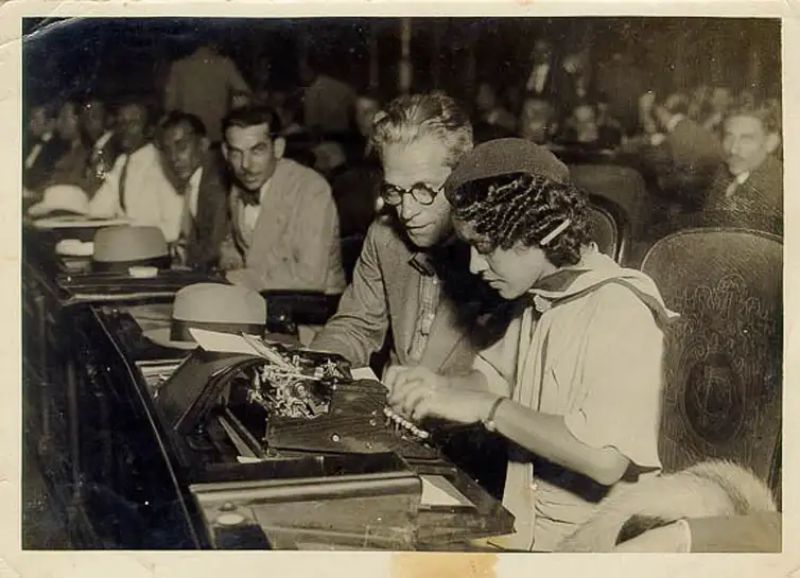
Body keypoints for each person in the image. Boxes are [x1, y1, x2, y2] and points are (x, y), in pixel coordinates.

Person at [384, 138, 677, 552]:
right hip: (526, 529)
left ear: (539, 232)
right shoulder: (538, 299)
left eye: (485, 248)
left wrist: (489, 411)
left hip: (595, 546)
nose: (474, 265)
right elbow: (492, 377)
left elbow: (605, 459)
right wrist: (435, 388)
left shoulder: (620, 308)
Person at [218, 105, 345, 294]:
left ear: (278, 148)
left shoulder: (311, 189)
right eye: (236, 153)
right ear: (225, 152)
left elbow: (309, 277)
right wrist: (231, 259)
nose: (245, 165)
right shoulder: (240, 185)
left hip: (312, 313)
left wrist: (238, 278)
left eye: (257, 151)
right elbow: (237, 243)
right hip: (258, 302)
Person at [88, 99, 183, 242]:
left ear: (150, 129)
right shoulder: (121, 163)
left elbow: (174, 229)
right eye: (120, 122)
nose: (124, 128)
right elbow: (96, 210)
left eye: (133, 123)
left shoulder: (161, 166)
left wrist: (128, 232)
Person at [159, 111, 231, 271]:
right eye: (167, 150)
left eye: (181, 146)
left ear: (203, 144)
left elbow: (215, 248)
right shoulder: (196, 179)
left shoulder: (216, 181)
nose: (173, 158)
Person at [703, 99, 782, 219]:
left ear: (771, 142)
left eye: (746, 139)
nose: (733, 149)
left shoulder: (781, 190)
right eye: (729, 137)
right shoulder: (723, 172)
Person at [164, 41, 251, 143]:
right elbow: (244, 97)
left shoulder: (178, 66)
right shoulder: (225, 64)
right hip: (218, 136)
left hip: (190, 137)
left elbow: (169, 105)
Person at [23, 102, 66, 195]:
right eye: (30, 119)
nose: (30, 124)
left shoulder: (58, 148)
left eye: (35, 120)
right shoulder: (30, 143)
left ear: (51, 123)